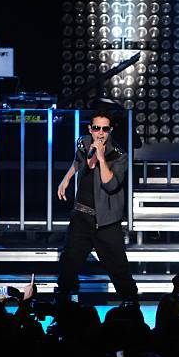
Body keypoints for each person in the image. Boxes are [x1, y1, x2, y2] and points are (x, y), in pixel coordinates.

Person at [56, 111, 138, 305]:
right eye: (96, 128)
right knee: (69, 265)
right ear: (90, 129)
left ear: (110, 131)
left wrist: (101, 159)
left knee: (119, 269)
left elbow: (110, 185)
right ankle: (64, 307)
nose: (100, 133)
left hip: (106, 221)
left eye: (104, 129)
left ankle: (132, 306)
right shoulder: (84, 143)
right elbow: (78, 161)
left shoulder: (118, 155)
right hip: (81, 217)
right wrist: (66, 179)